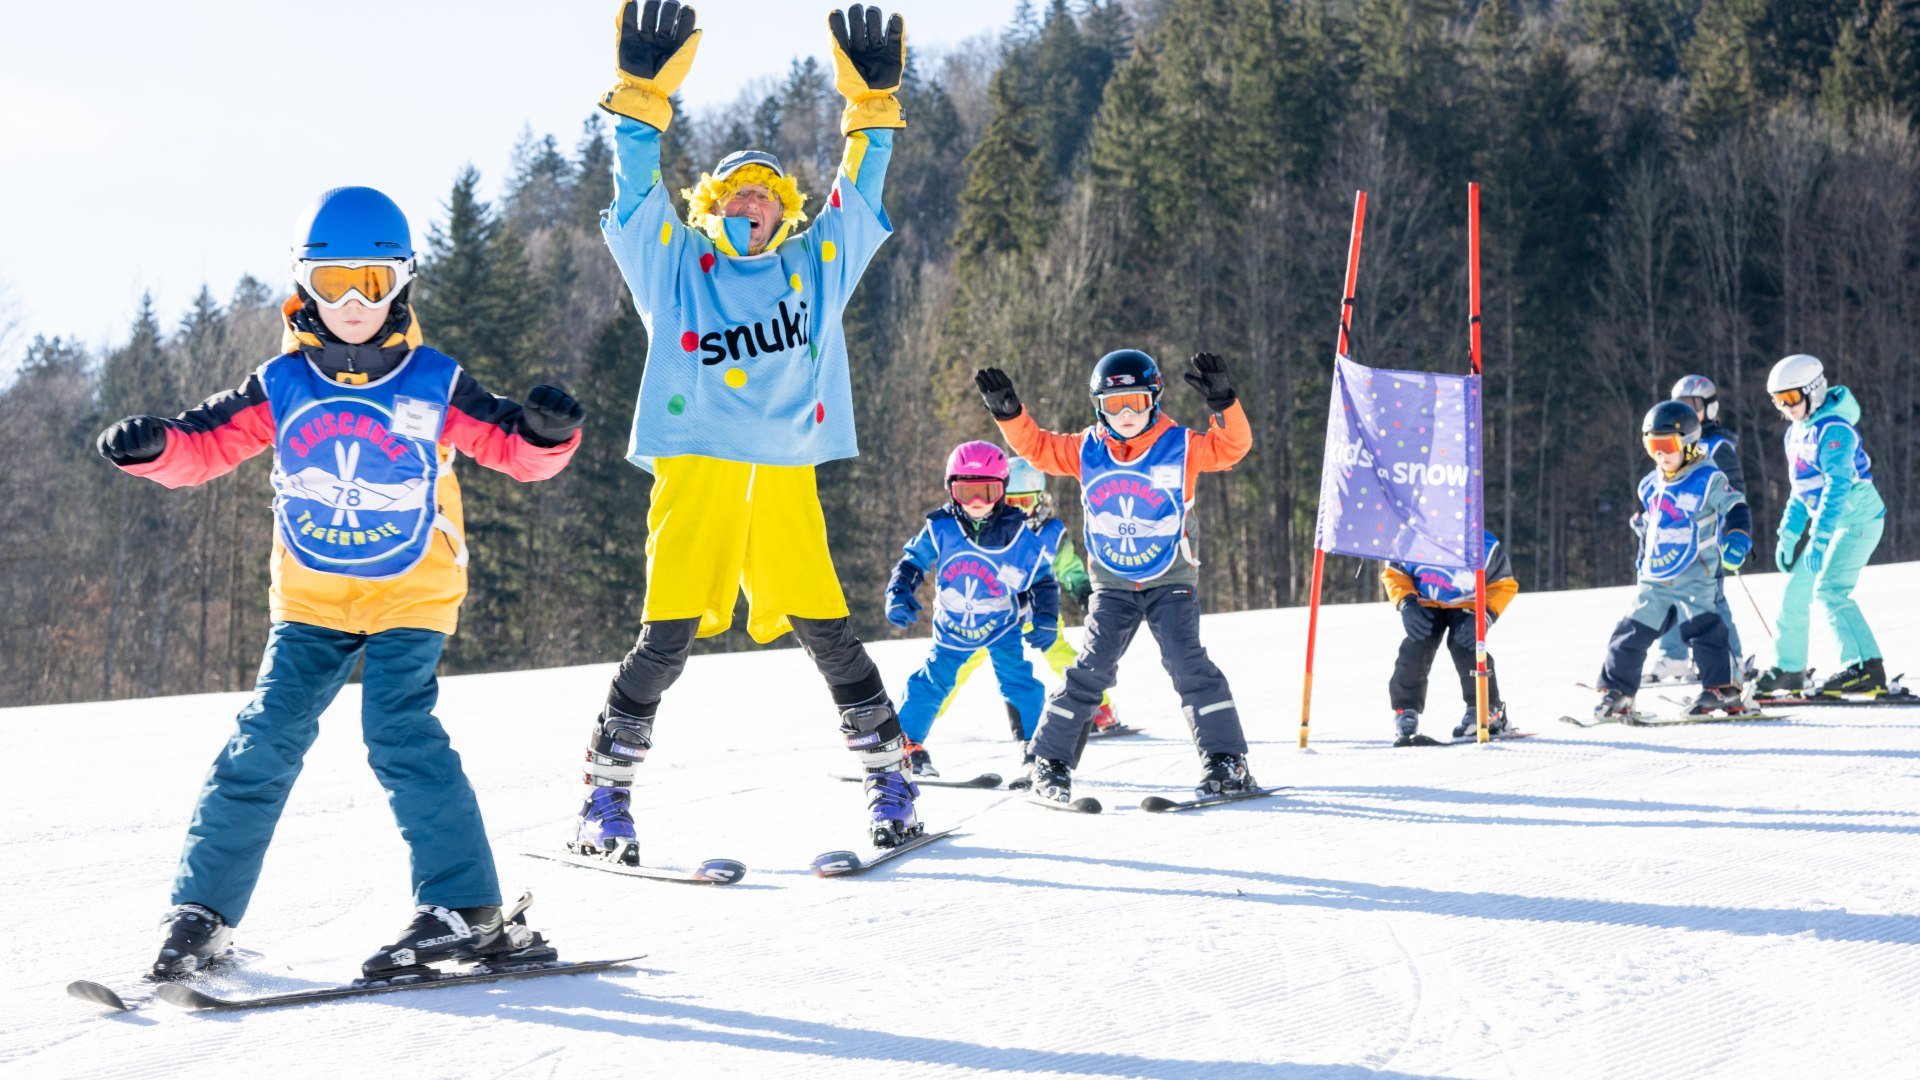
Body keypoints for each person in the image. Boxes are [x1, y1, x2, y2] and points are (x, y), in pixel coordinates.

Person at [95, 186, 584, 979]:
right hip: (311, 601)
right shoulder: (281, 385)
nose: (353, 301)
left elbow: (508, 448)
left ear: (403, 282)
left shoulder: (434, 381)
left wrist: (547, 435)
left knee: (399, 735)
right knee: (262, 743)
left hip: (410, 593)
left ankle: (466, 909)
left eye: (372, 281)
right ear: (302, 285)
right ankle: (202, 913)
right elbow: (204, 444)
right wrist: (154, 449)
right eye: (332, 284)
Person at [577, 1, 920, 853]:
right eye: (736, 192)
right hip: (697, 474)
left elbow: (859, 197)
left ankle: (892, 784)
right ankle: (603, 802)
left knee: (828, 633)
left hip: (781, 478)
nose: (754, 203)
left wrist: (871, 111)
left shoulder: (815, 267)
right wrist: (639, 97)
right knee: (665, 640)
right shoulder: (675, 264)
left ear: (785, 212)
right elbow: (633, 188)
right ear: (712, 205)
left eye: (768, 194)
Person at [974, 350, 1255, 802]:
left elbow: (1232, 448)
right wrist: (1009, 414)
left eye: (1137, 403)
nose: (1126, 415)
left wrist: (1224, 404)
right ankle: (1051, 763)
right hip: (1113, 586)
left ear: (1155, 400)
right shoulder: (1086, 448)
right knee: (1089, 671)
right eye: (1114, 404)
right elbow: (1038, 448)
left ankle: (1227, 761)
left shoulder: (1181, 445)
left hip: (1171, 581)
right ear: (1097, 405)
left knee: (1189, 665)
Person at [930, 455, 1124, 756]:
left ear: (1039, 499)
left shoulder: (1051, 532)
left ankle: (1102, 710)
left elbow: (1068, 567)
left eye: (1026, 500)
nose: (1019, 508)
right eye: (1013, 500)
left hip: (1039, 615)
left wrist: (1084, 593)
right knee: (960, 665)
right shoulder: (988, 530)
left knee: (1062, 656)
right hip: (991, 617)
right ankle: (921, 719)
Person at [886, 442, 1056, 778]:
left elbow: (1043, 580)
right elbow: (913, 562)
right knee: (932, 683)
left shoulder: (1017, 534)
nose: (977, 503)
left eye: (987, 491)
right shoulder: (941, 528)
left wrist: (1047, 617)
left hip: (1003, 625)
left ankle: (1036, 750)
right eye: (967, 492)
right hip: (953, 628)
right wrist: (899, 590)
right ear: (951, 490)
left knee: (1020, 682)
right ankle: (905, 746)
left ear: (1003, 490)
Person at [1591, 401, 1753, 721]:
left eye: (1666, 446)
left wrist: (1737, 536)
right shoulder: (1651, 483)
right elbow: (1652, 527)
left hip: (1696, 572)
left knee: (1704, 630)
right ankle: (1617, 692)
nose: (1660, 455)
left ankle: (1723, 689)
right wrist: (1642, 555)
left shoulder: (1708, 478)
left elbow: (1736, 507)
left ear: (1689, 443)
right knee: (1630, 632)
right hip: (1656, 577)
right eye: (1652, 446)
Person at [1755, 354, 1889, 696]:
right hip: (1830, 526)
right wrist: (1788, 532)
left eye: (1791, 399)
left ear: (1814, 391)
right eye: (1778, 401)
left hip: (1859, 518)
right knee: (1793, 594)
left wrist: (1818, 536)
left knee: (1830, 589)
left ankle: (1865, 667)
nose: (1786, 408)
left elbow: (1837, 485)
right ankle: (1789, 669)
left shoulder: (1835, 430)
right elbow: (1803, 490)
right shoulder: (1795, 434)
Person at [1648, 374, 1747, 683]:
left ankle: (1733, 659)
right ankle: (1675, 655)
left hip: (1709, 540)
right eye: (1681, 405)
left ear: (1710, 408)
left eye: (1694, 405)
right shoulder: (1675, 443)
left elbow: (1733, 491)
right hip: (1677, 539)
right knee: (1672, 591)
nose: (1688, 412)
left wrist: (1734, 532)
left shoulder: (1717, 446)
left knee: (1712, 601)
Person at [1381, 531, 1518, 745]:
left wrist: (1484, 616)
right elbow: (1394, 572)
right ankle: (1405, 708)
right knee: (1415, 647)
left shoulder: (1484, 544)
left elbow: (1503, 584)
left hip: (1468, 603)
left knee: (1467, 647)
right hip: (1424, 601)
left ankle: (1486, 709)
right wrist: (1406, 602)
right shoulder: (1412, 536)